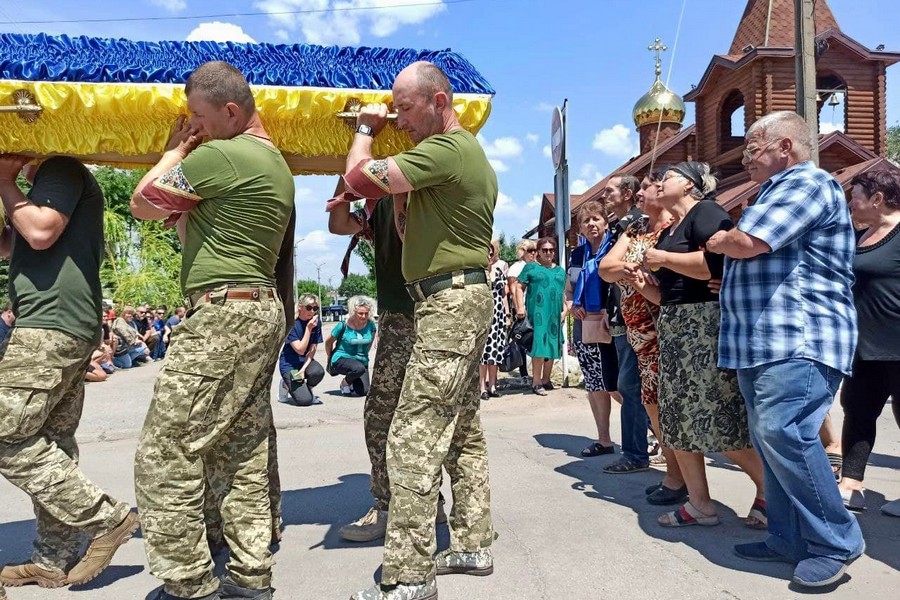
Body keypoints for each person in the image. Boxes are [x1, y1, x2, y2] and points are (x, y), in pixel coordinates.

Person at [130, 60, 293, 600]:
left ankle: (189, 583)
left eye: (197, 118)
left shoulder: (224, 154)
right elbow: (187, 224)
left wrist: (176, 150)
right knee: (240, 453)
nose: (193, 127)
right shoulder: (270, 162)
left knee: (166, 452)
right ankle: (250, 576)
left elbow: (143, 203)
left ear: (229, 111)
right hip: (259, 308)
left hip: (224, 315)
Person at [342, 61, 496, 600]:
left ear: (439, 101)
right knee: (462, 428)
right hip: (456, 298)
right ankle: (473, 543)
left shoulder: (449, 149)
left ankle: (410, 576)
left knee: (411, 436)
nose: (397, 119)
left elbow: (358, 177)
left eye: (403, 108)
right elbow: (406, 233)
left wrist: (364, 130)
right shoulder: (454, 155)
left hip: (450, 301)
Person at [706, 110, 864, 589]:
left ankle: (836, 539)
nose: (746, 156)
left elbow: (750, 241)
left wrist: (720, 239)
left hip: (799, 338)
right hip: (762, 342)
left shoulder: (807, 182)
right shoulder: (774, 190)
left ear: (785, 148)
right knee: (771, 439)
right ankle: (787, 538)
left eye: (754, 148)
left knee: (784, 431)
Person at [0, 155, 139, 588]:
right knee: (52, 442)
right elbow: (14, 243)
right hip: (62, 323)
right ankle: (51, 558)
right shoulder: (43, 185)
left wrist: (5, 181)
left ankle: (106, 518)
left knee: (5, 433)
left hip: (50, 324)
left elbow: (40, 232)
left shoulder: (58, 167)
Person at [628, 161, 765, 529]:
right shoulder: (672, 227)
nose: (658, 183)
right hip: (675, 325)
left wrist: (662, 258)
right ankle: (700, 504)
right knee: (678, 422)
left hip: (703, 326)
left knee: (716, 419)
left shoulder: (706, 212)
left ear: (689, 186)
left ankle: (769, 491)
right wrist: (644, 283)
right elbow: (667, 295)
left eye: (666, 178)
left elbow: (713, 267)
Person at [600, 170, 687, 504]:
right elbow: (606, 267)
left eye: (647, 188)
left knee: (668, 404)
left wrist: (633, 271)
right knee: (650, 402)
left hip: (663, 325)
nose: (641, 193)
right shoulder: (637, 228)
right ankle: (674, 475)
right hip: (636, 329)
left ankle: (684, 479)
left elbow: (663, 280)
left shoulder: (672, 228)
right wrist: (634, 271)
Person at [835, 170, 900, 514]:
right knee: (857, 409)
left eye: (855, 195)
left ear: (877, 198)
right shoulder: (860, 235)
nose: (851, 203)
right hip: (863, 344)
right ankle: (851, 483)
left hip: (897, 343)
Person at [596, 175, 651, 475]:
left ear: (627, 194)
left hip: (639, 315)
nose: (605, 196)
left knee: (631, 385)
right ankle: (643, 446)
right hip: (622, 313)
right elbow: (609, 276)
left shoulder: (636, 224)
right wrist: (610, 308)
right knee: (630, 384)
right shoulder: (620, 226)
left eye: (610, 191)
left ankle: (636, 452)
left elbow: (622, 270)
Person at [565, 201, 621, 456]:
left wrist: (612, 308)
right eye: (586, 221)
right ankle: (604, 440)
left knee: (618, 384)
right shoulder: (577, 254)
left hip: (613, 323)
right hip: (585, 324)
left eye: (596, 219)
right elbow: (569, 287)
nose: (591, 224)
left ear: (605, 222)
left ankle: (651, 432)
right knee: (594, 384)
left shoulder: (615, 247)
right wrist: (571, 303)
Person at [513, 237, 566, 396]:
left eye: (551, 250)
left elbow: (563, 293)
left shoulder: (560, 271)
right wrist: (520, 307)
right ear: (539, 252)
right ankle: (536, 382)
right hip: (538, 314)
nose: (548, 253)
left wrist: (565, 310)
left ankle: (546, 379)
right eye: (545, 250)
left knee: (552, 346)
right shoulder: (531, 268)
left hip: (555, 315)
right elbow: (518, 287)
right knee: (540, 347)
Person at [278, 294, 326, 406]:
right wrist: (308, 329)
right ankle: (284, 384)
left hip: (304, 362)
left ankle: (307, 389)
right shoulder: (292, 323)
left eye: (315, 308)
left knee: (318, 372)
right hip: (289, 364)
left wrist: (304, 369)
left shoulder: (316, 322)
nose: (312, 311)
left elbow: (312, 349)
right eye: (309, 308)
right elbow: (300, 349)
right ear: (300, 307)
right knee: (304, 401)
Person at [325, 295, 377, 396]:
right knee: (358, 368)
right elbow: (328, 342)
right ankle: (345, 383)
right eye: (360, 313)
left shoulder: (371, 325)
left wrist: (363, 357)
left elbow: (368, 345)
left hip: (361, 361)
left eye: (366, 313)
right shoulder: (343, 325)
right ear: (354, 312)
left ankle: (352, 379)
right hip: (342, 357)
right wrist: (329, 357)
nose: (363, 316)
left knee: (364, 391)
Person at [479, 239, 509, 400]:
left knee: (495, 350)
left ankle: (492, 385)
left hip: (497, 315)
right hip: (483, 315)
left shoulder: (498, 272)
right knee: (483, 352)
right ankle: (482, 386)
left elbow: (504, 295)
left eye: (492, 253)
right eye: (487, 253)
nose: (489, 256)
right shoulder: (478, 274)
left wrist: (507, 314)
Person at [506, 239, 536, 382]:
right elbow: (513, 289)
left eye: (535, 250)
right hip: (522, 307)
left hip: (535, 307)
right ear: (523, 252)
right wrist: (519, 309)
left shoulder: (537, 266)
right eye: (530, 250)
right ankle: (523, 372)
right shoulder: (516, 268)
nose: (533, 253)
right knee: (522, 339)